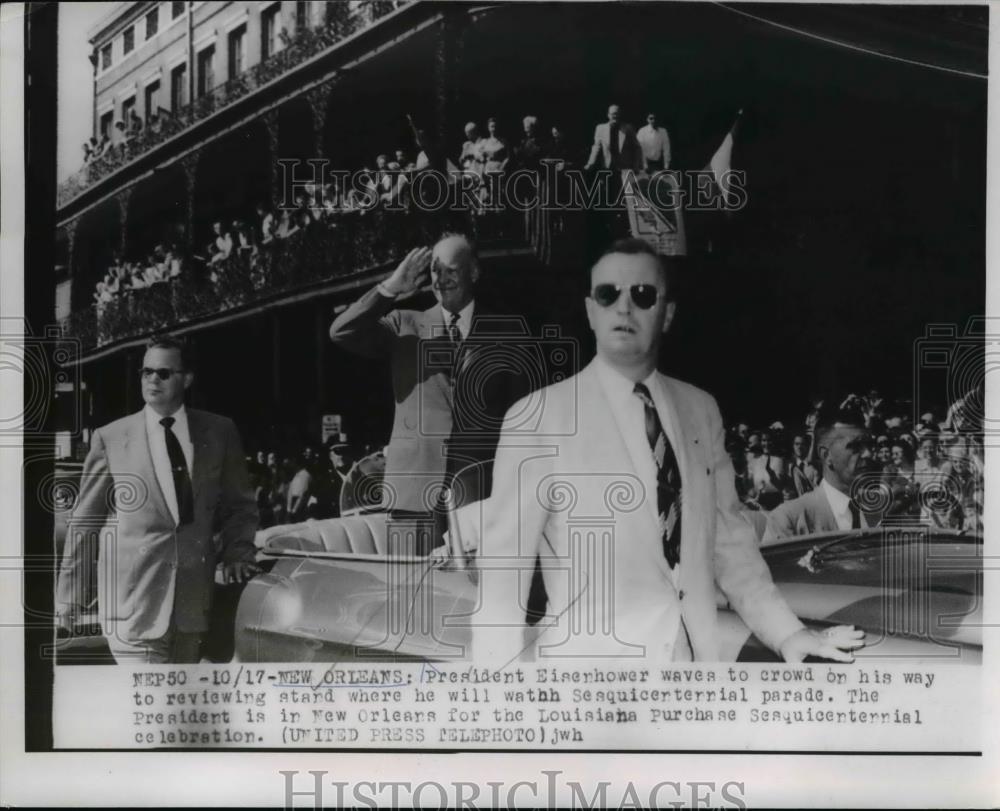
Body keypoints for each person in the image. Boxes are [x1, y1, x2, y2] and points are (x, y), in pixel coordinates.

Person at [471, 238, 862, 664]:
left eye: (642, 295)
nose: (624, 308)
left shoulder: (700, 410)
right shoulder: (538, 417)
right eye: (608, 294)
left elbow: (730, 544)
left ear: (668, 313)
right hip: (587, 683)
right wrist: (498, 696)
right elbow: (503, 575)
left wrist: (789, 634)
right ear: (590, 310)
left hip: (691, 670)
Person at [55, 335, 259, 663]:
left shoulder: (219, 432)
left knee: (175, 710)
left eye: (163, 373)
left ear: (186, 379)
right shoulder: (111, 438)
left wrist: (238, 551)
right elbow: (85, 523)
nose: (152, 379)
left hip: (192, 610)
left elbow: (240, 505)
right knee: (149, 706)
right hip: (133, 607)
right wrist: (69, 599)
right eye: (146, 372)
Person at [329, 234, 527, 547]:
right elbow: (342, 331)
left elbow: (522, 416)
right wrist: (390, 288)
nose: (442, 280)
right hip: (412, 493)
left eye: (452, 271)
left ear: (473, 272)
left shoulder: (507, 332)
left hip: (478, 493)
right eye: (436, 271)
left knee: (475, 588)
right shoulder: (404, 324)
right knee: (410, 589)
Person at [763, 409, 880, 543]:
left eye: (869, 445)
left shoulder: (882, 512)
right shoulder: (789, 520)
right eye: (855, 446)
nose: (868, 454)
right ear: (826, 455)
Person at [584, 104, 643, 172]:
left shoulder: (628, 128)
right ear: (608, 115)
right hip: (607, 167)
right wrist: (590, 163)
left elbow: (637, 148)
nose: (615, 116)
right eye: (613, 114)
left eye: (617, 114)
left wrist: (636, 165)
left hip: (625, 168)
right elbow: (596, 147)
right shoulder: (600, 128)